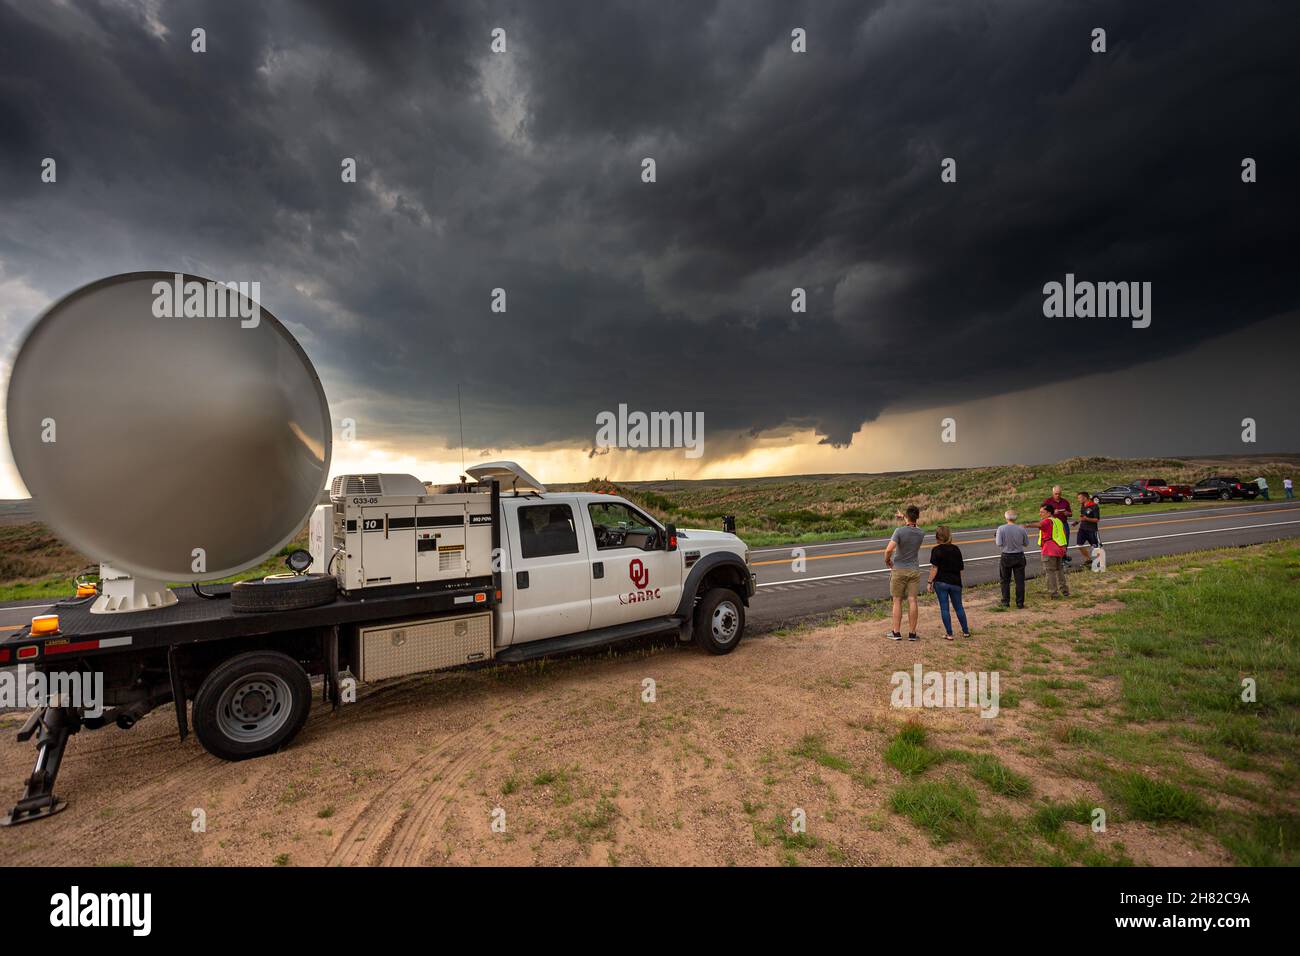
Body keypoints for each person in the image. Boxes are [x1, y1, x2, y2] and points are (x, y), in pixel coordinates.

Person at [884, 505, 925, 641]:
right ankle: (912, 634)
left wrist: (887, 560)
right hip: (914, 570)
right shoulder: (921, 533)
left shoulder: (899, 531)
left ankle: (896, 632)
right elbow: (913, 527)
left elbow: (889, 550)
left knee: (897, 601)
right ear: (917, 517)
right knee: (913, 600)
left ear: (906, 516)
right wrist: (905, 517)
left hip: (899, 569)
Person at [927, 525, 971, 640]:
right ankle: (965, 631)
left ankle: (949, 633)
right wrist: (958, 582)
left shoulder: (936, 550)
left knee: (944, 608)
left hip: (941, 583)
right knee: (959, 607)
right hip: (955, 582)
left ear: (937, 537)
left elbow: (934, 568)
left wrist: (929, 582)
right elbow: (961, 569)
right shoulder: (956, 549)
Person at [995, 509, 1029, 608]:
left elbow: (999, 543)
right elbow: (1026, 543)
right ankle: (1020, 603)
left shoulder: (1001, 529)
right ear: (1016, 518)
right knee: (1020, 581)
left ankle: (1005, 602)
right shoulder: (1021, 529)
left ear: (1006, 517)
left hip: (1006, 556)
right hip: (1019, 555)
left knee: (1005, 580)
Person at [1038, 504, 1070, 598]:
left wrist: (1025, 525)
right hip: (1059, 548)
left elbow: (1039, 525)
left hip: (1049, 549)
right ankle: (1064, 590)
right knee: (1059, 570)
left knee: (1050, 571)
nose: (1040, 514)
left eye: (1042, 512)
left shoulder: (1047, 521)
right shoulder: (1058, 521)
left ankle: (1053, 593)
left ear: (1048, 513)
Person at [1043, 485, 1074, 563]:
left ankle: (1063, 556)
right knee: (1054, 542)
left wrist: (1067, 513)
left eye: (1059, 493)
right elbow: (1043, 513)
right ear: (1053, 493)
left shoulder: (1065, 501)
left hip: (1063, 523)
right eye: (1056, 494)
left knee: (1065, 541)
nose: (1058, 495)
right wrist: (1053, 512)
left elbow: (1071, 514)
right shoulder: (1048, 502)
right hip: (1052, 525)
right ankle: (1057, 558)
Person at [1073, 491, 1100, 566]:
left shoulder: (1094, 506)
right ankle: (1088, 559)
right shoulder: (1083, 505)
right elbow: (1082, 516)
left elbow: (1097, 519)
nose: (1078, 500)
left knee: (1096, 547)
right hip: (1082, 529)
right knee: (1079, 545)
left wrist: (1087, 519)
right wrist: (1077, 522)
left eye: (1079, 498)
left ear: (1085, 498)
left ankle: (1100, 561)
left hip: (1092, 529)